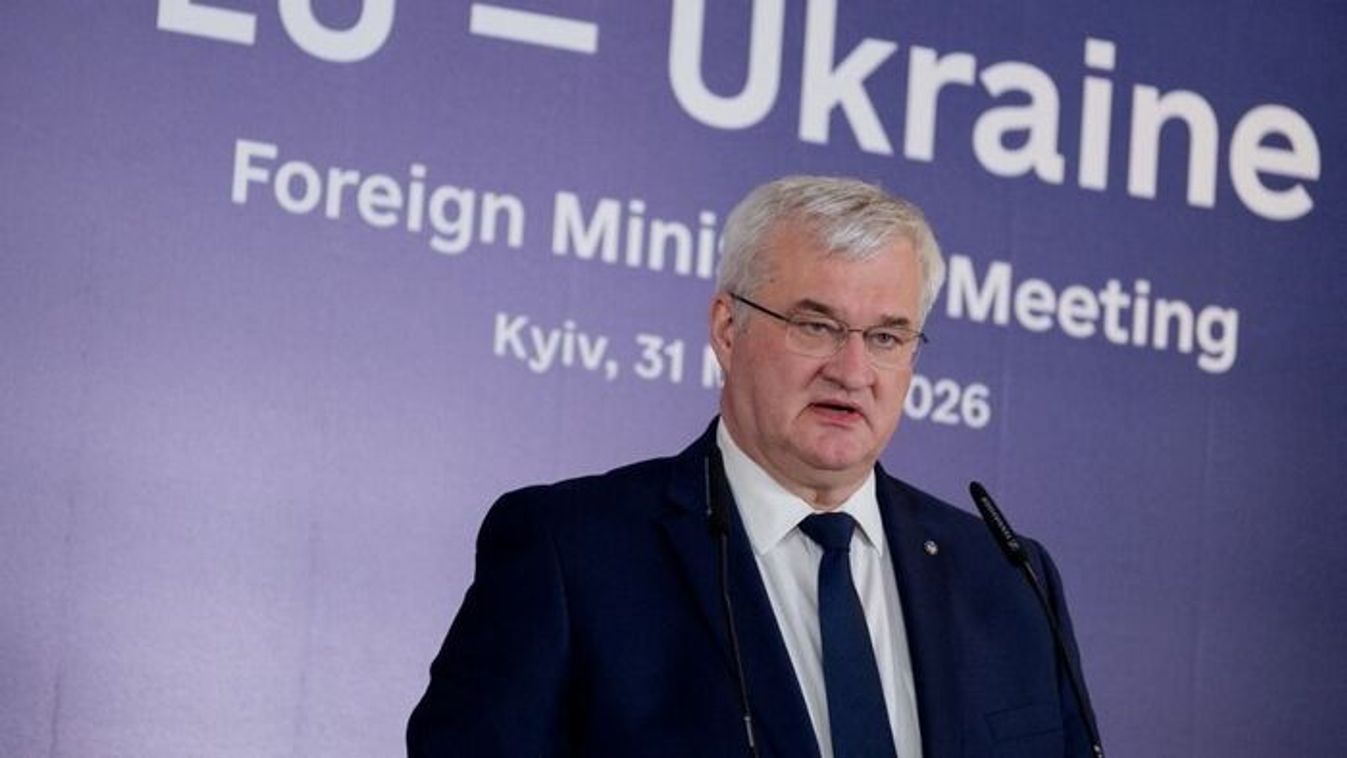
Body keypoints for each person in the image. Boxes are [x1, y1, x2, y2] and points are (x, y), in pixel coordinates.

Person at [407, 176, 1096, 757]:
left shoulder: (1008, 578)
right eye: (816, 326)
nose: (852, 370)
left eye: (887, 336)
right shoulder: (574, 552)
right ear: (727, 329)